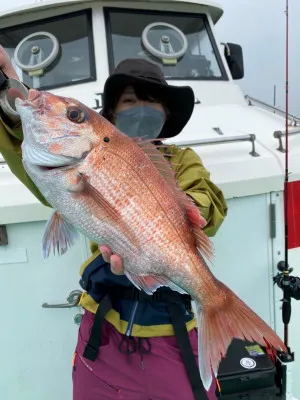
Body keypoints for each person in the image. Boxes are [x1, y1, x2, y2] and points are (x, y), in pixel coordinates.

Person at [0, 47, 228, 400]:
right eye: (131, 100)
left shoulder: (181, 160)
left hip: (174, 335)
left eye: (153, 101)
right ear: (111, 114)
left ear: (167, 113)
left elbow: (208, 199)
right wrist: (6, 85)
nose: (142, 109)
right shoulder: (64, 165)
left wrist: (192, 209)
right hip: (101, 334)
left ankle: (217, 306)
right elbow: (25, 134)